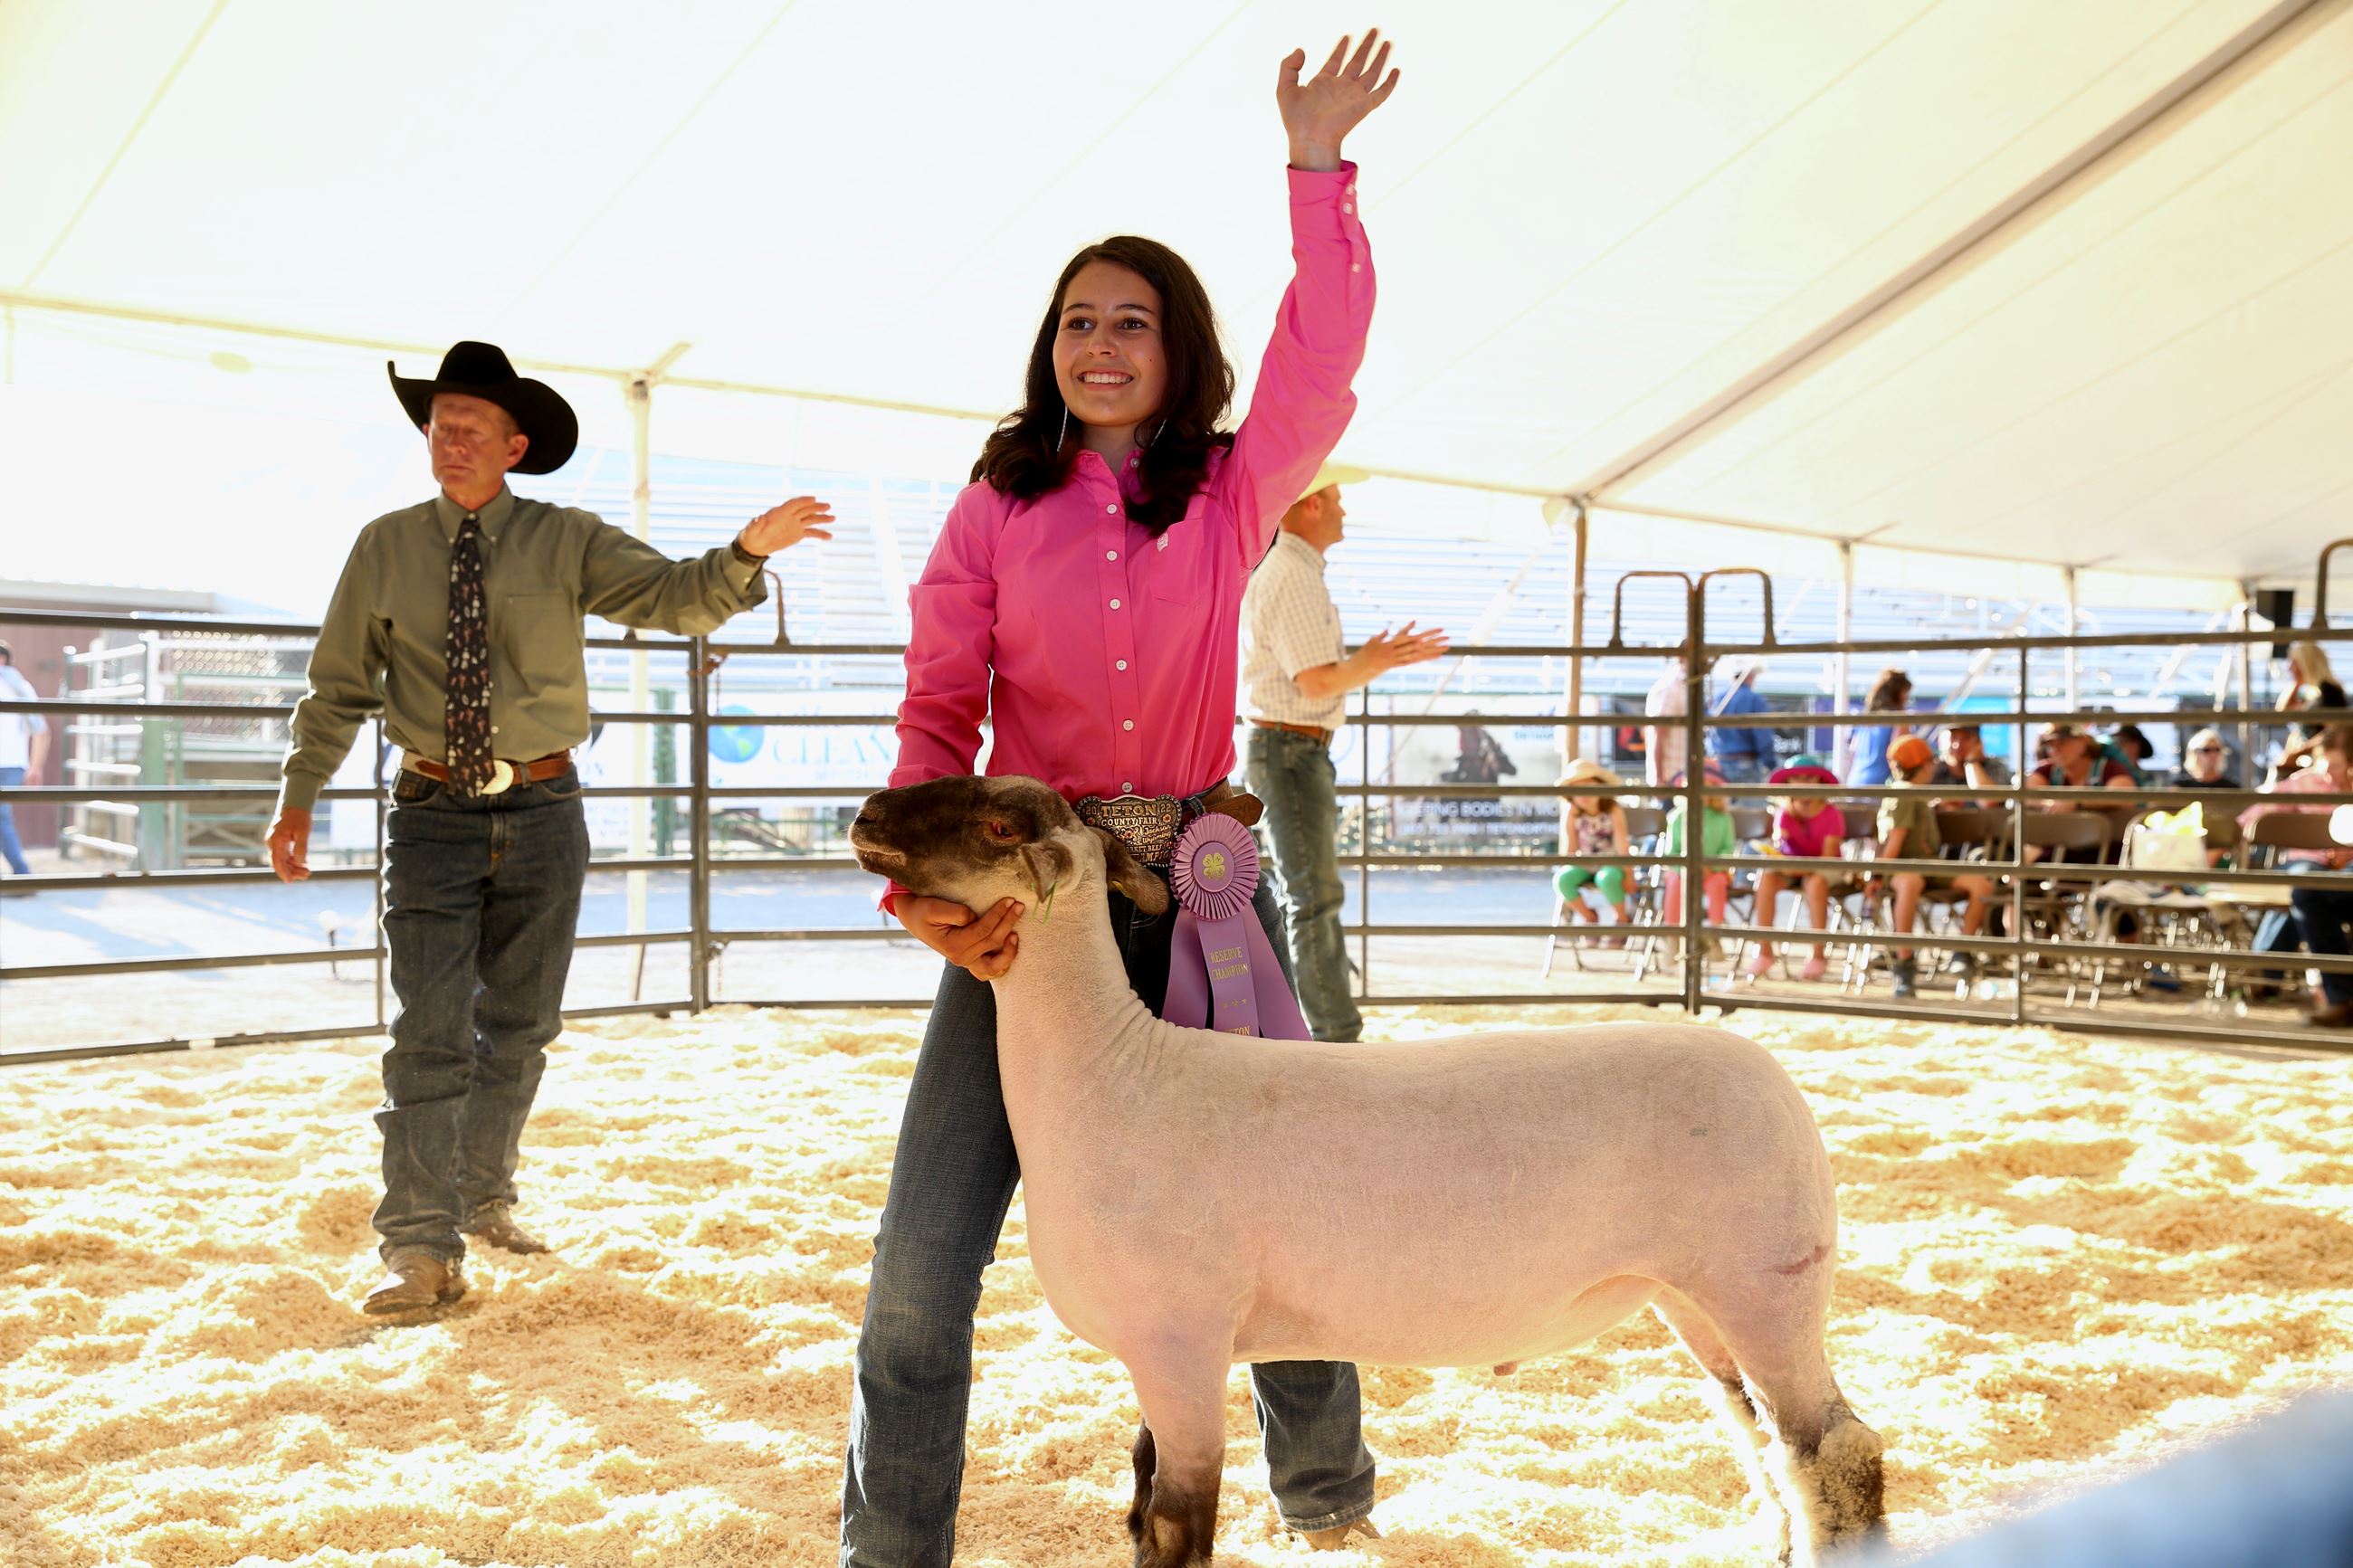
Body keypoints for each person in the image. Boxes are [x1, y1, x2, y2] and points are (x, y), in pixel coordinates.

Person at [853, 34, 1398, 1561]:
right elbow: (937, 700)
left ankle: (1328, 1509)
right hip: (1035, 918)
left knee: (1280, 1226)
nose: (1101, 343)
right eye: (1079, 320)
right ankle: (887, 1546)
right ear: (1051, 345)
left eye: (1132, 321)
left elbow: (1328, 354)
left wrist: (1314, 171)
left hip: (1206, 885)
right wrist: (926, 886)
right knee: (921, 1259)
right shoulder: (993, 501)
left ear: (1177, 349)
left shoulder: (1235, 487)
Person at [266, 341, 833, 1314]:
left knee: (520, 1027)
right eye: (439, 426)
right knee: (427, 1031)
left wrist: (747, 554)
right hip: (431, 812)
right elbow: (337, 687)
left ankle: (482, 1194)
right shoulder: (384, 545)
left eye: (470, 428)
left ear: (514, 445)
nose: (449, 441)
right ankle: (416, 1245)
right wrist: (298, 793)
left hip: (543, 808)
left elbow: (667, 598)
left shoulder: (568, 538)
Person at [1241, 464, 1447, 1041]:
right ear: (1308, 506)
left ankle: (1325, 1026)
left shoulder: (1289, 571)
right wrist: (1375, 662)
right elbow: (1315, 681)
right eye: (1334, 499)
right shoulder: (1294, 575)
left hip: (1288, 746)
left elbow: (1313, 678)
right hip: (1290, 747)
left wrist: (1372, 660)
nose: (1342, 510)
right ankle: (1335, 1032)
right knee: (1314, 894)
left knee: (1306, 892)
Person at [2239, 725, 2353, 1026]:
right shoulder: (2305, 782)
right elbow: (2251, 818)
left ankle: (2265, 970)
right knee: (2306, 887)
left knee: (2305, 892)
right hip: (2309, 862)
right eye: (2324, 764)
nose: (2328, 773)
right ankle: (2340, 998)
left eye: (2338, 766)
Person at [1872, 736, 1996, 999]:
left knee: (1981, 884)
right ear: (1925, 765)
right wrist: (1877, 874)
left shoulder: (1914, 794)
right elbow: (1895, 843)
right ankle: (1904, 963)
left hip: (1928, 865)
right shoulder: (1905, 794)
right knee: (1909, 883)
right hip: (1905, 867)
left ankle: (1962, 949)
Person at [1745, 762, 1843, 982]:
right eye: (1798, 778)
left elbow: (1828, 858)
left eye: (1810, 778)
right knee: (1766, 876)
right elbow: (1782, 847)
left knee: (1815, 882)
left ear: (1820, 782)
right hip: (1793, 868)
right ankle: (1765, 951)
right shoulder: (1785, 813)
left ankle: (1818, 955)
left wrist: (1800, 867)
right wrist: (1782, 860)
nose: (1804, 783)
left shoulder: (1831, 814)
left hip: (1824, 869)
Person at [2022, 721, 2137, 863]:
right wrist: (2050, 803)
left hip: (2104, 853)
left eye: (2063, 742)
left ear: (2084, 741)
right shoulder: (2046, 770)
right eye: (2051, 744)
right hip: (2058, 850)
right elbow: (2026, 796)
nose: (2056, 749)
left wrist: (2077, 802)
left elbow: (2124, 797)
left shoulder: (2110, 769)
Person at [1552, 757, 1630, 942]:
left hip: (1611, 863)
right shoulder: (1572, 812)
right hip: (1584, 863)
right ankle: (1589, 917)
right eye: (1578, 789)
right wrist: (1566, 865)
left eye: (1589, 786)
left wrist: (1629, 872)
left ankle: (1621, 919)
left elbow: (1621, 841)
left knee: (1607, 879)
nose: (1584, 794)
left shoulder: (1612, 809)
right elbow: (1570, 845)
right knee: (1562, 880)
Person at [1662, 767, 1735, 946]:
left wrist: (1710, 867)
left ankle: (1714, 936)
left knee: (1717, 883)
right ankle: (1673, 938)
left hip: (1713, 870)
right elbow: (1671, 851)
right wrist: (1687, 867)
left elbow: (1728, 850)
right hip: (1683, 869)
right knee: (1674, 882)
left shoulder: (1723, 818)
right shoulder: (1677, 817)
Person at [0, 640, 50, 883]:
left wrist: (35, 765)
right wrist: (35, 766)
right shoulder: (21, 686)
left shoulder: (16, 685)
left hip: (9, 762)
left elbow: (40, 729)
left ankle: (22, 874)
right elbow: (40, 730)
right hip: (13, 762)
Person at [1704, 657, 1775, 785]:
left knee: (1721, 804)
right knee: (1750, 804)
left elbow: (1709, 731)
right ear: (1751, 676)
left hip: (1720, 763)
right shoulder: (1754, 700)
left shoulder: (1718, 698)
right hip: (1746, 764)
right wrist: (1769, 763)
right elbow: (1763, 735)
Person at [1848, 668, 1912, 787]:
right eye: (1905, 693)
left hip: (1854, 782)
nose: (1906, 698)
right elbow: (1900, 754)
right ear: (1897, 693)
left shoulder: (1863, 721)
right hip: (1880, 786)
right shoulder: (1899, 719)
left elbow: (1852, 754)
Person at [1929, 723, 2012, 804]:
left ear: (1978, 743)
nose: (1957, 745)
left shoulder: (1994, 767)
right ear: (1940, 742)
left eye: (1966, 739)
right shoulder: (1931, 769)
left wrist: (1972, 762)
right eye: (1953, 737)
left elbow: (1987, 801)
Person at [1643, 654, 1687, 793]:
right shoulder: (1670, 687)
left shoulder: (1682, 685)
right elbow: (1659, 731)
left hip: (1679, 774)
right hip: (1671, 776)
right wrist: (1659, 777)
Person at [2170, 727, 2242, 789]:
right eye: (2206, 750)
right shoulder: (2181, 787)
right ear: (2195, 753)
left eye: (2217, 750)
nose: (2213, 754)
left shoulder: (2232, 788)